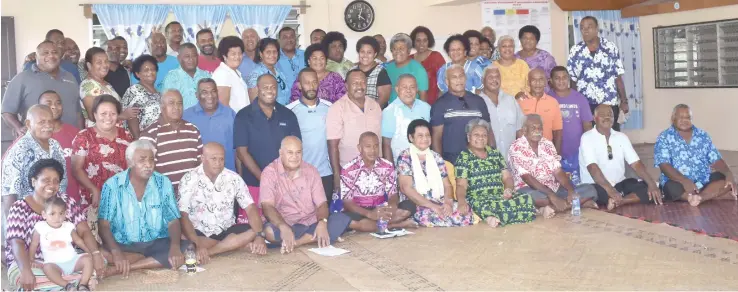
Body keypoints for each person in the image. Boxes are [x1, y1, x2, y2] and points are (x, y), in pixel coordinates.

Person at [6, 159, 105, 291]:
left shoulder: (66, 201)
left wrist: (96, 253)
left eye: (56, 181)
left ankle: (63, 284)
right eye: (46, 180)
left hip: (66, 259)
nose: (51, 185)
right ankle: (80, 282)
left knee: (99, 260)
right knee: (21, 276)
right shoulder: (19, 207)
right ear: (34, 181)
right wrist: (25, 270)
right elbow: (16, 242)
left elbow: (84, 231)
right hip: (34, 262)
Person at [98, 140, 188, 276]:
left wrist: (175, 247)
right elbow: (104, 225)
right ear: (130, 162)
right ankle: (146, 259)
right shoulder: (112, 185)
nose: (148, 165)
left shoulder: (163, 182)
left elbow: (173, 220)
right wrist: (116, 252)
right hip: (124, 243)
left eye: (151, 160)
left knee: (188, 248)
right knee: (101, 252)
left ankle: (126, 266)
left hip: (156, 241)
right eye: (142, 160)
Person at [260, 137, 352, 252]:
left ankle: (297, 242)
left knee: (337, 218)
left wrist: (322, 222)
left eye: (298, 152)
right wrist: (283, 227)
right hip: (286, 222)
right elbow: (267, 206)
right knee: (269, 232)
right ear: (280, 153)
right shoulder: (269, 173)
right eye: (290, 152)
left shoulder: (311, 171)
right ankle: (321, 236)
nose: (295, 157)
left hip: (311, 221)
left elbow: (322, 204)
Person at [179, 143, 267, 260]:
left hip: (227, 230)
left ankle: (210, 252)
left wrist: (260, 236)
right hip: (199, 232)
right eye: (213, 159)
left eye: (221, 159)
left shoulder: (233, 178)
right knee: (181, 237)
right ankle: (232, 245)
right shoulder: (189, 179)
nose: (218, 163)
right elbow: (183, 215)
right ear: (202, 159)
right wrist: (197, 244)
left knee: (254, 230)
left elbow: (250, 207)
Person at [234, 74, 301, 221]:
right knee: (255, 229)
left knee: (284, 225)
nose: (270, 90)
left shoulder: (288, 115)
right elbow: (241, 152)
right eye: (265, 87)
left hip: (285, 184)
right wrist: (266, 180)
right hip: (254, 183)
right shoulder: (243, 116)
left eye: (273, 87)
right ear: (257, 89)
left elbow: (296, 149)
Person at [508, 115, 598, 218]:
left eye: (540, 128)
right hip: (529, 189)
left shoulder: (548, 144)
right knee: (530, 197)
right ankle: (575, 203)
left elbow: (558, 172)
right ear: (524, 130)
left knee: (590, 189)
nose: (537, 130)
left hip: (554, 189)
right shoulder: (516, 147)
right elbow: (528, 179)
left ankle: (552, 208)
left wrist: (570, 190)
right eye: (533, 128)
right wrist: (552, 196)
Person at [71, 95, 133, 241]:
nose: (108, 118)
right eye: (103, 114)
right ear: (94, 115)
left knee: (121, 241)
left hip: (120, 197)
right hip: (93, 199)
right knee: (96, 241)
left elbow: (131, 168)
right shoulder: (84, 137)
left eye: (112, 113)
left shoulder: (127, 136)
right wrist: (94, 189)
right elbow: (76, 169)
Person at [454, 119, 537, 227]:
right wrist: (461, 202)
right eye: (476, 135)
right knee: (480, 205)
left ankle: (497, 216)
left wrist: (508, 189)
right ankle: (491, 217)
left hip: (499, 196)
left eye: (484, 135)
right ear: (469, 137)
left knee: (526, 198)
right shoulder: (464, 157)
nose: (481, 138)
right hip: (479, 198)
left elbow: (507, 177)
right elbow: (461, 185)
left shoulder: (495, 154)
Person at [580, 105, 661, 210]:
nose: (607, 118)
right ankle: (616, 198)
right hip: (597, 186)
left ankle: (619, 201)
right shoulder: (587, 137)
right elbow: (592, 167)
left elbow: (636, 163)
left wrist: (652, 184)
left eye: (610, 115)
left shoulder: (621, 137)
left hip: (619, 184)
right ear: (594, 118)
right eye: (602, 115)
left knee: (651, 187)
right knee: (589, 192)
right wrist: (611, 191)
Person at [654, 104, 737, 206]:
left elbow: (716, 160)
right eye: (681, 117)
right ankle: (711, 195)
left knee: (724, 179)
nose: (684, 120)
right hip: (678, 183)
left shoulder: (702, 135)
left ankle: (699, 198)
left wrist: (729, 174)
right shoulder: (664, 137)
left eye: (688, 117)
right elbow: (664, 165)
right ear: (673, 118)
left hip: (703, 182)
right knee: (669, 187)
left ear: (692, 119)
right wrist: (684, 180)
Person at [2, 106, 68, 232]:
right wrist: (14, 229)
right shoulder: (19, 150)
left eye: (50, 121)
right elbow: (8, 193)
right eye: (42, 122)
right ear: (28, 123)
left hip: (54, 217)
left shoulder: (55, 145)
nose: (48, 126)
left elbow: (62, 183)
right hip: (26, 220)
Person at [398, 119, 473, 227]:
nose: (425, 139)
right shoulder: (405, 157)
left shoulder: (436, 157)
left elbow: (447, 185)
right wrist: (433, 206)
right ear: (411, 137)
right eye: (420, 136)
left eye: (427, 135)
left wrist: (448, 202)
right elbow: (406, 188)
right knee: (430, 215)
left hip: (438, 200)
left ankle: (438, 221)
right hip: (417, 202)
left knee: (465, 211)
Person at [3, 40, 83, 134]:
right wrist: (18, 127)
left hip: (69, 140)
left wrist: (81, 133)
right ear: (36, 57)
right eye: (45, 53)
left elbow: (78, 112)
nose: (51, 56)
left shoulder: (70, 77)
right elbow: (7, 111)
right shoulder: (22, 79)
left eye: (55, 52)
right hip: (37, 141)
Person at [341, 132, 417, 231]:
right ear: (359, 148)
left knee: (409, 206)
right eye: (368, 146)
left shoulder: (387, 166)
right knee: (346, 220)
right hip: (360, 211)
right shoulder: (348, 169)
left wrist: (391, 206)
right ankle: (394, 225)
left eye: (376, 146)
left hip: (381, 209)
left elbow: (393, 194)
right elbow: (347, 202)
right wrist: (370, 214)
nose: (373, 150)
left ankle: (371, 225)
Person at [567, 16, 629, 131]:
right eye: (582, 28)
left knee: (611, 137)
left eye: (589, 27)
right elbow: (573, 80)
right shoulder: (575, 51)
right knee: (588, 138)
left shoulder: (610, 48)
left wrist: (624, 101)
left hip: (608, 102)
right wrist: (575, 103)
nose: (585, 30)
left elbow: (618, 77)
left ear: (597, 29)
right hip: (585, 104)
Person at [327, 69, 383, 192]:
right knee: (354, 210)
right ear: (346, 86)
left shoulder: (375, 105)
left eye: (362, 82)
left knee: (377, 206)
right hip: (350, 172)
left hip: (376, 170)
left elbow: (381, 139)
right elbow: (333, 146)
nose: (359, 86)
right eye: (355, 83)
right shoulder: (337, 108)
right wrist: (337, 176)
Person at [140, 90, 203, 194]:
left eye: (179, 103)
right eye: (171, 103)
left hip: (193, 195)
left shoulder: (193, 130)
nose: (176, 107)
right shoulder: (150, 133)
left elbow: (200, 164)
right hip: (165, 196)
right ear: (162, 107)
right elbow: (145, 170)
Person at [286, 68, 334, 202]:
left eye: (314, 82)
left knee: (325, 216)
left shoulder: (330, 108)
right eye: (307, 83)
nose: (311, 86)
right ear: (299, 85)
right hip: (300, 173)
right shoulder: (290, 111)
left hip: (325, 173)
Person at [431, 64, 493, 164]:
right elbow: (436, 137)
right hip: (452, 161)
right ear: (447, 82)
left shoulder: (478, 101)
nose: (458, 80)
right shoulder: (439, 104)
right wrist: (440, 164)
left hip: (478, 161)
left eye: (461, 76)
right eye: (454, 77)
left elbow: (489, 131)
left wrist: (492, 157)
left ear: (465, 78)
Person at [28, 197, 94, 291]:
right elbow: (34, 244)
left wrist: (88, 251)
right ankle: (68, 286)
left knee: (88, 259)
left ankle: (83, 285)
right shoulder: (40, 227)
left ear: (66, 214)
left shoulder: (68, 226)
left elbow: (78, 241)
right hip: (54, 265)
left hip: (72, 261)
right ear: (44, 214)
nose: (57, 218)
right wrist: (31, 259)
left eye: (61, 213)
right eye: (52, 214)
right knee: (47, 268)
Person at [549, 66, 593, 184]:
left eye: (564, 77)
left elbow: (587, 126)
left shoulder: (579, 98)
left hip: (576, 152)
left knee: (578, 184)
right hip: (554, 151)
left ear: (568, 79)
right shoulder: (547, 98)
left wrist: (587, 149)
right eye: (557, 78)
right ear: (551, 81)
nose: (561, 81)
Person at [183, 78, 238, 172]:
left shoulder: (230, 114)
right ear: (197, 95)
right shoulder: (186, 116)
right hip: (197, 175)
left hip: (228, 174)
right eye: (204, 92)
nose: (210, 96)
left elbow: (238, 149)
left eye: (213, 91)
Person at [37, 91, 81, 202]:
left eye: (58, 103)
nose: (54, 106)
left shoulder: (76, 134)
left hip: (73, 202)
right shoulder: (32, 137)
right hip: (43, 206)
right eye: (48, 103)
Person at [478, 64, 525, 160]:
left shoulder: (511, 100)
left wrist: (522, 155)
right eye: (490, 77)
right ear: (482, 80)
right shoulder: (477, 102)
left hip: (512, 160)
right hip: (487, 162)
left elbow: (520, 130)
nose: (494, 80)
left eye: (497, 77)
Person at [381, 74, 431, 163]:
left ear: (417, 89)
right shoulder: (390, 111)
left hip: (424, 162)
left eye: (412, 87)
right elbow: (386, 143)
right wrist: (391, 170)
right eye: (404, 87)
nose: (408, 90)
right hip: (401, 165)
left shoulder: (426, 108)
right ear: (397, 89)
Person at [517, 68, 563, 152]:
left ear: (546, 82)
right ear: (528, 83)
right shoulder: (520, 101)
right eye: (534, 80)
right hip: (524, 151)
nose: (537, 83)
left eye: (541, 79)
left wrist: (556, 154)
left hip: (546, 150)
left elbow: (558, 131)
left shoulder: (553, 102)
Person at [79, 47, 124, 127]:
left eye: (106, 61)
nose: (104, 65)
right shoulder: (87, 85)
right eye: (99, 62)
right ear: (89, 65)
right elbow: (93, 117)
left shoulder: (107, 84)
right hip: (100, 135)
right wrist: (123, 116)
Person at [121, 54, 162, 139]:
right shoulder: (134, 90)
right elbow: (132, 117)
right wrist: (138, 140)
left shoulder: (159, 93)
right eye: (146, 70)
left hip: (159, 139)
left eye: (153, 69)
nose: (150, 72)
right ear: (138, 74)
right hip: (143, 140)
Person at [162, 43, 212, 109]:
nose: (191, 59)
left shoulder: (206, 76)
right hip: (181, 118)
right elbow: (167, 106)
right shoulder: (171, 78)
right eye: (187, 56)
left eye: (194, 56)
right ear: (179, 58)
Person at [385, 33, 429, 103]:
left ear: (409, 50)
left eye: (401, 48)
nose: (398, 52)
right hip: (391, 111)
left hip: (411, 111)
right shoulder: (388, 68)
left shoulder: (418, 69)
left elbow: (423, 98)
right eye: (394, 49)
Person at [213, 36, 251, 112]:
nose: (237, 57)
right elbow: (223, 106)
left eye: (240, 53)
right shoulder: (222, 74)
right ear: (224, 56)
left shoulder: (236, 72)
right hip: (232, 121)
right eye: (233, 54)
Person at [247, 38, 290, 105]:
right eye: (268, 52)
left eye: (274, 52)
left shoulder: (280, 73)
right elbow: (254, 102)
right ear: (261, 54)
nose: (272, 55)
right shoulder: (255, 74)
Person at [353, 36, 392, 108]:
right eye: (362, 52)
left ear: (375, 54)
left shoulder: (381, 72)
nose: (365, 55)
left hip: (374, 113)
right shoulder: (352, 71)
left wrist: (368, 112)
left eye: (369, 52)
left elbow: (383, 99)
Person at [410, 26, 445, 105]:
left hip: (433, 103)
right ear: (413, 42)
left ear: (429, 41)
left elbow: (444, 82)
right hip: (412, 105)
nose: (421, 44)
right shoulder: (409, 59)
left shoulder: (436, 57)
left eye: (425, 40)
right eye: (418, 40)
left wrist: (439, 103)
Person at [516, 25, 557, 92]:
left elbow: (554, 79)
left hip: (542, 97)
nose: (528, 41)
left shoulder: (545, 57)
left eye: (531, 38)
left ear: (537, 41)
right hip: (521, 97)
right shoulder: (515, 57)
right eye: (525, 38)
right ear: (520, 40)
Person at [276, 27, 306, 94]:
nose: (289, 40)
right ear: (279, 41)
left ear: (296, 39)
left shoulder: (306, 55)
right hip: (283, 101)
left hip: (305, 99)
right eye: (285, 37)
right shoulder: (274, 58)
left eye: (291, 36)